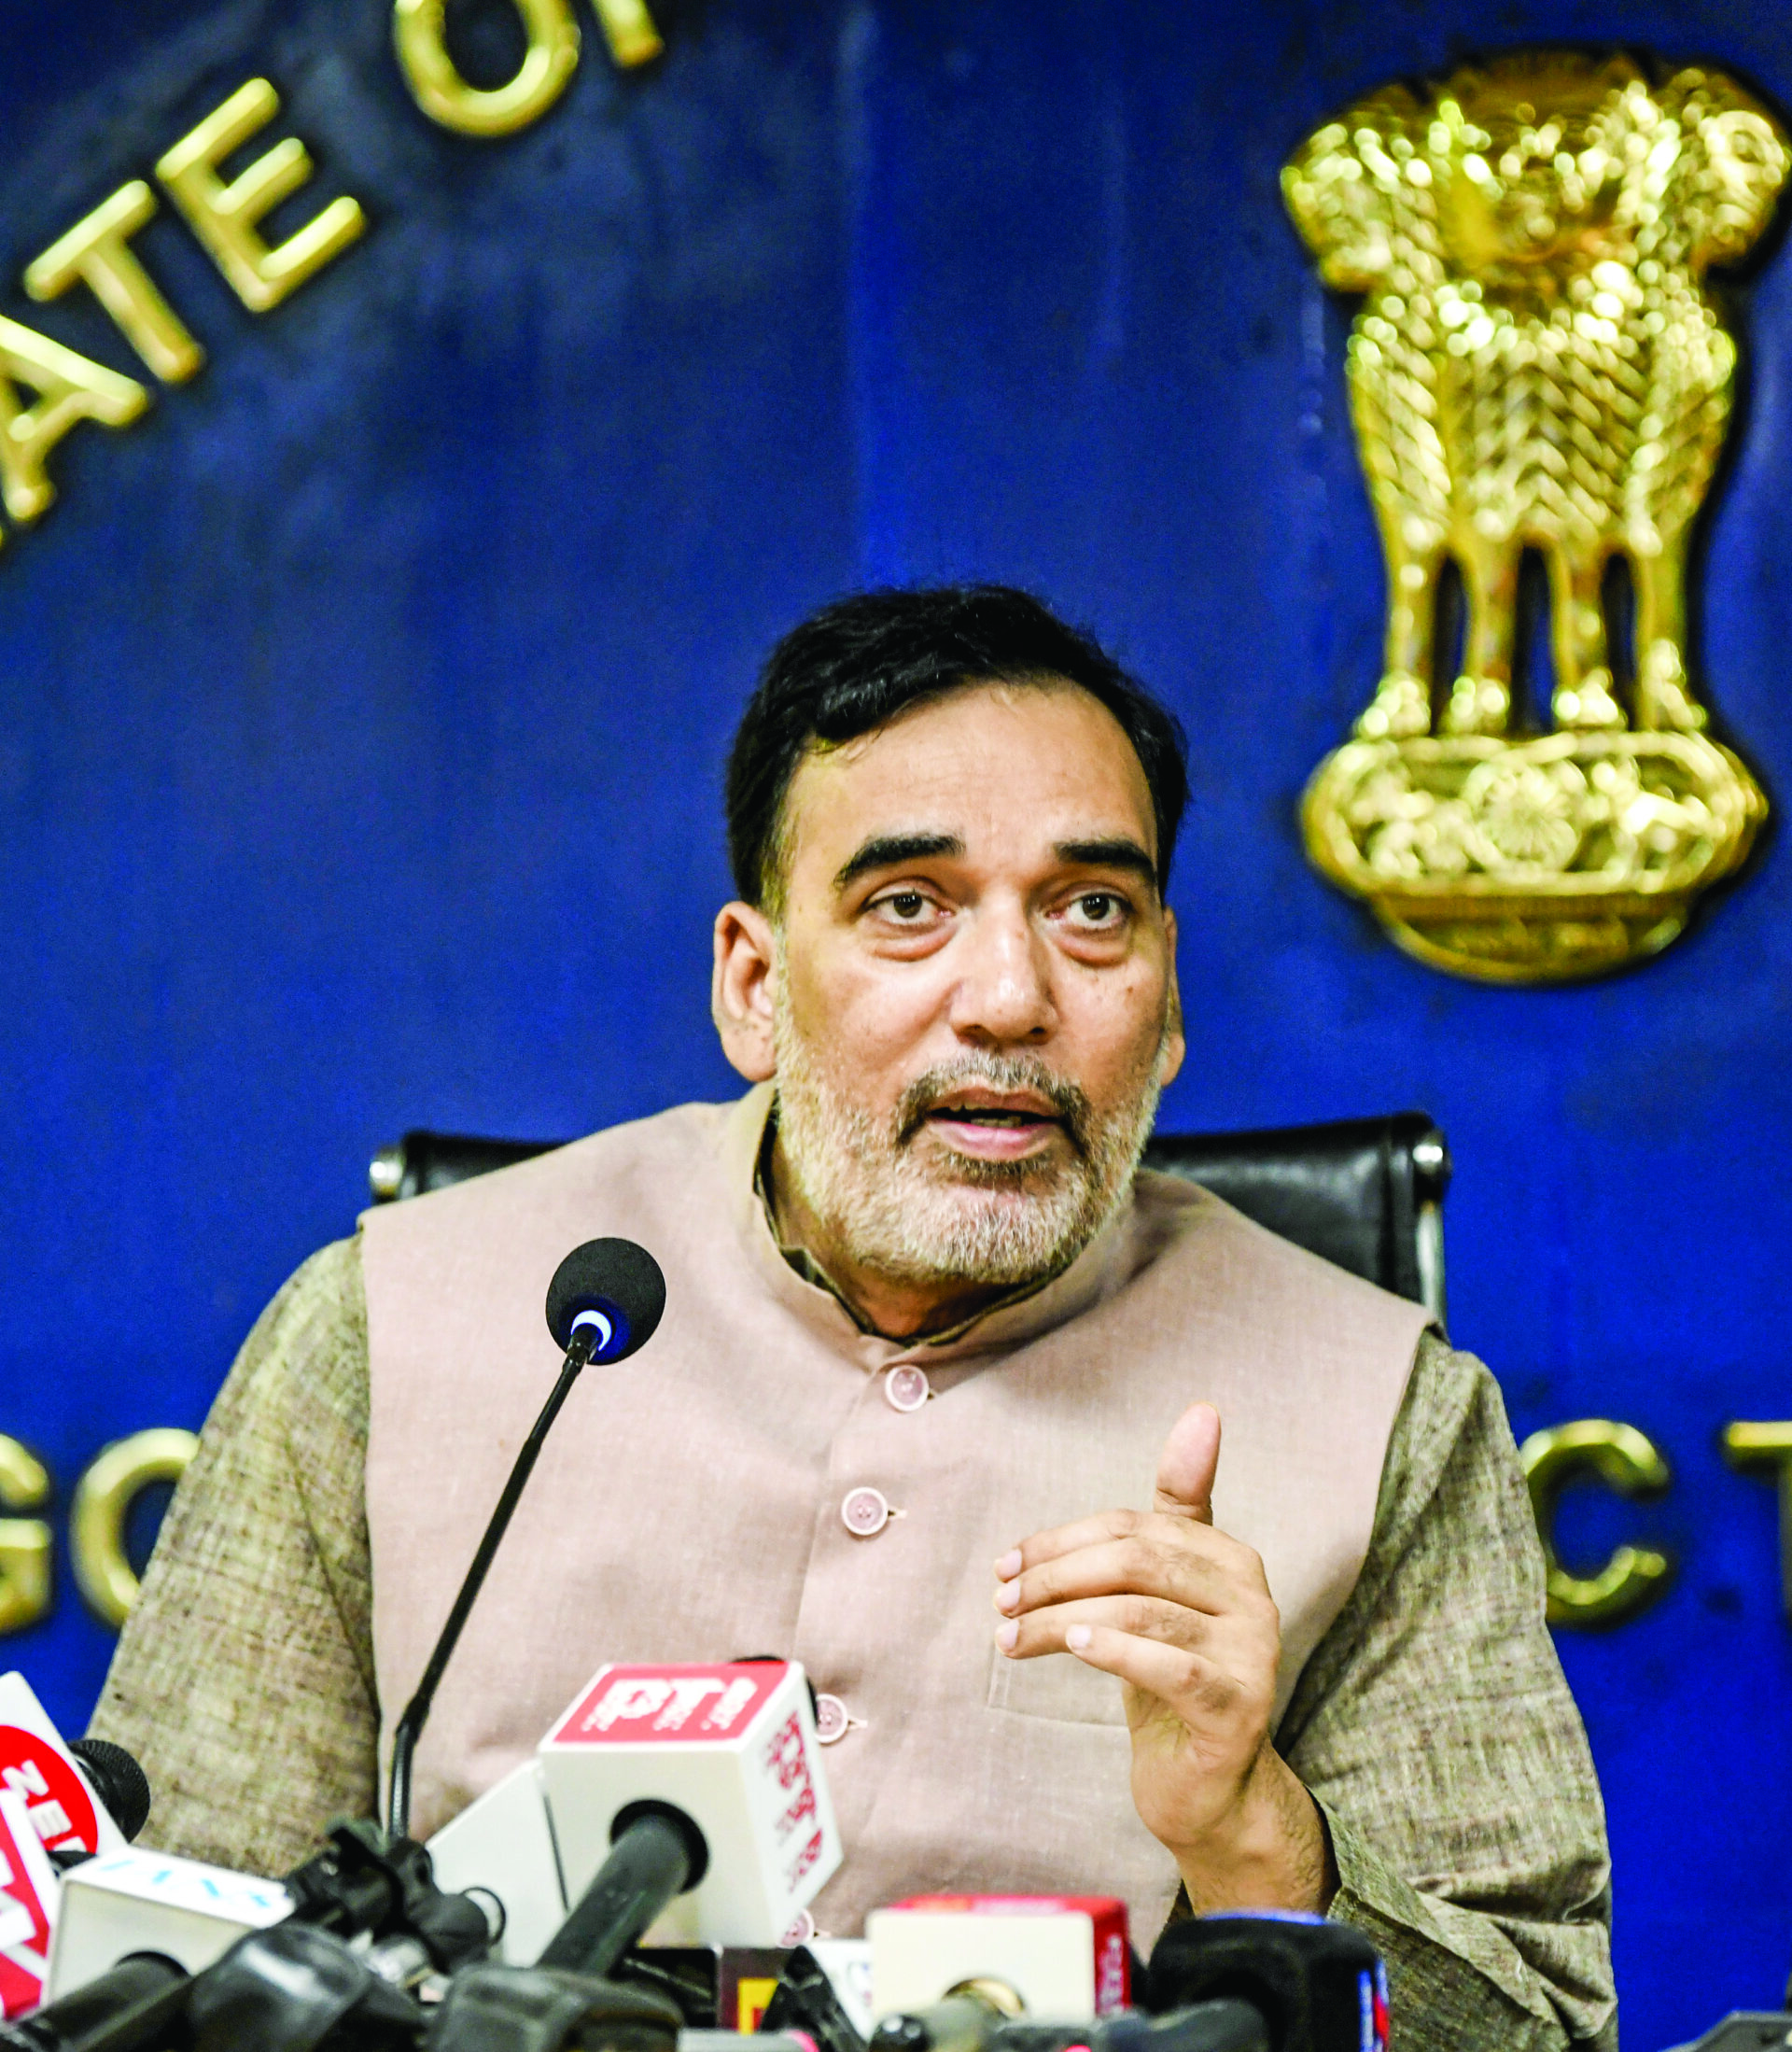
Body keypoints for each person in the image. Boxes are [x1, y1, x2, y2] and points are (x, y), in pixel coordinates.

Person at [92, 585, 1616, 2048]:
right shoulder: (394, 1327)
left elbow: (1540, 2030)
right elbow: (143, 1961)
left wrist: (1263, 1845)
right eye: (909, 906)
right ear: (755, 985)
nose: (1011, 996)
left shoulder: (1386, 1413)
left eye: (1094, 908)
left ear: (1166, 999)